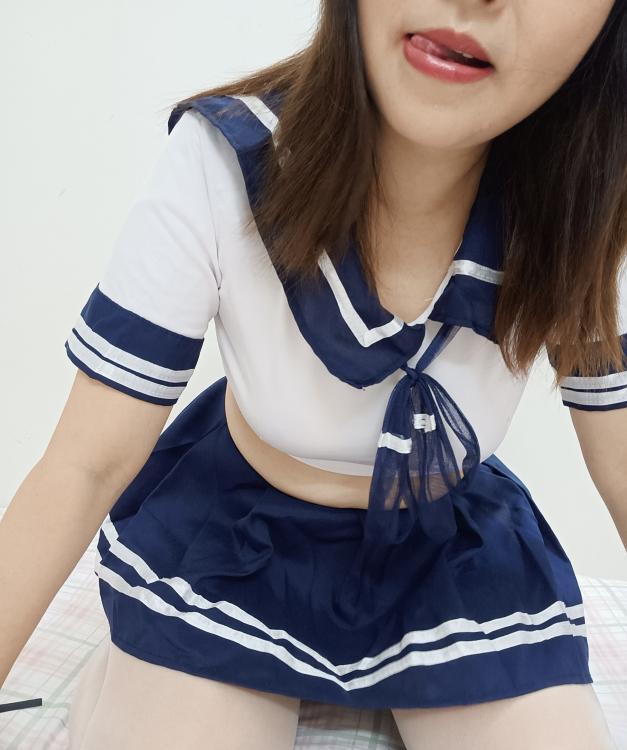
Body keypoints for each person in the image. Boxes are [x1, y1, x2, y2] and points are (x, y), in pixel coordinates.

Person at [1, 0, 625, 748]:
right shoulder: (227, 157)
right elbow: (84, 463)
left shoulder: (582, 197)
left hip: (450, 552)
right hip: (236, 544)